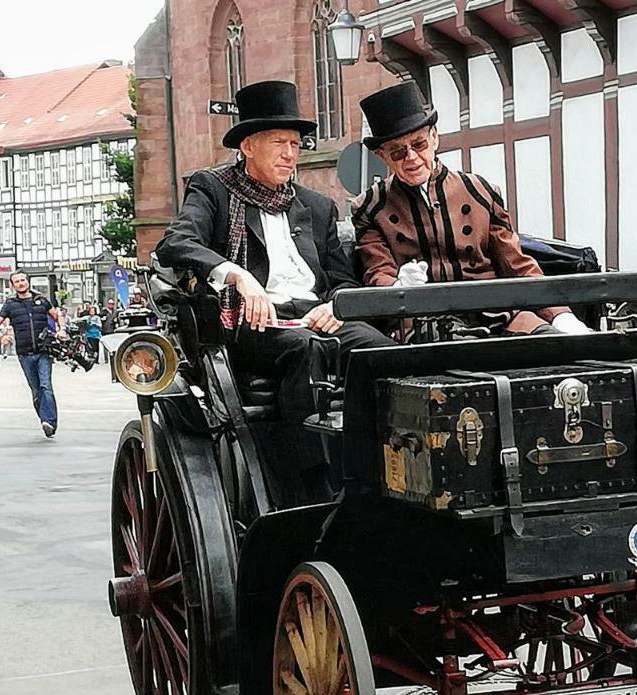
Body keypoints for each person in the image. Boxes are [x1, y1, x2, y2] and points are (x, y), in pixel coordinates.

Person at [154, 80, 395, 500]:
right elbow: (175, 244)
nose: (290, 153)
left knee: (382, 350)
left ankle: (384, 463)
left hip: (315, 314)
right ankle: (311, 484)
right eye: (279, 142)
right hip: (250, 320)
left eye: (296, 144)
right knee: (306, 348)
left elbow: (343, 280)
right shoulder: (213, 189)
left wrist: (339, 307)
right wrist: (236, 275)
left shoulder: (319, 206)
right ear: (248, 145)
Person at [352, 83, 590, 336]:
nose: (410, 157)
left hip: (496, 313)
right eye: (398, 152)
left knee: (553, 344)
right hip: (422, 322)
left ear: (434, 137)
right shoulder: (370, 208)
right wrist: (399, 287)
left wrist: (560, 315)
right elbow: (378, 273)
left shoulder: (481, 191)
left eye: (418, 144)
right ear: (382, 156)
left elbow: (517, 266)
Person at [0, 270, 65, 439]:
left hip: (43, 351)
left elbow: (57, 316)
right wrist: (1, 336)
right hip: (24, 354)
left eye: (23, 280)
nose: (21, 283)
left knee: (46, 386)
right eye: (17, 281)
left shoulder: (41, 300)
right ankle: (45, 419)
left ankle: (49, 421)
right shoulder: (10, 305)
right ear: (12, 285)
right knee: (36, 391)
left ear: (28, 282)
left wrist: (62, 329)